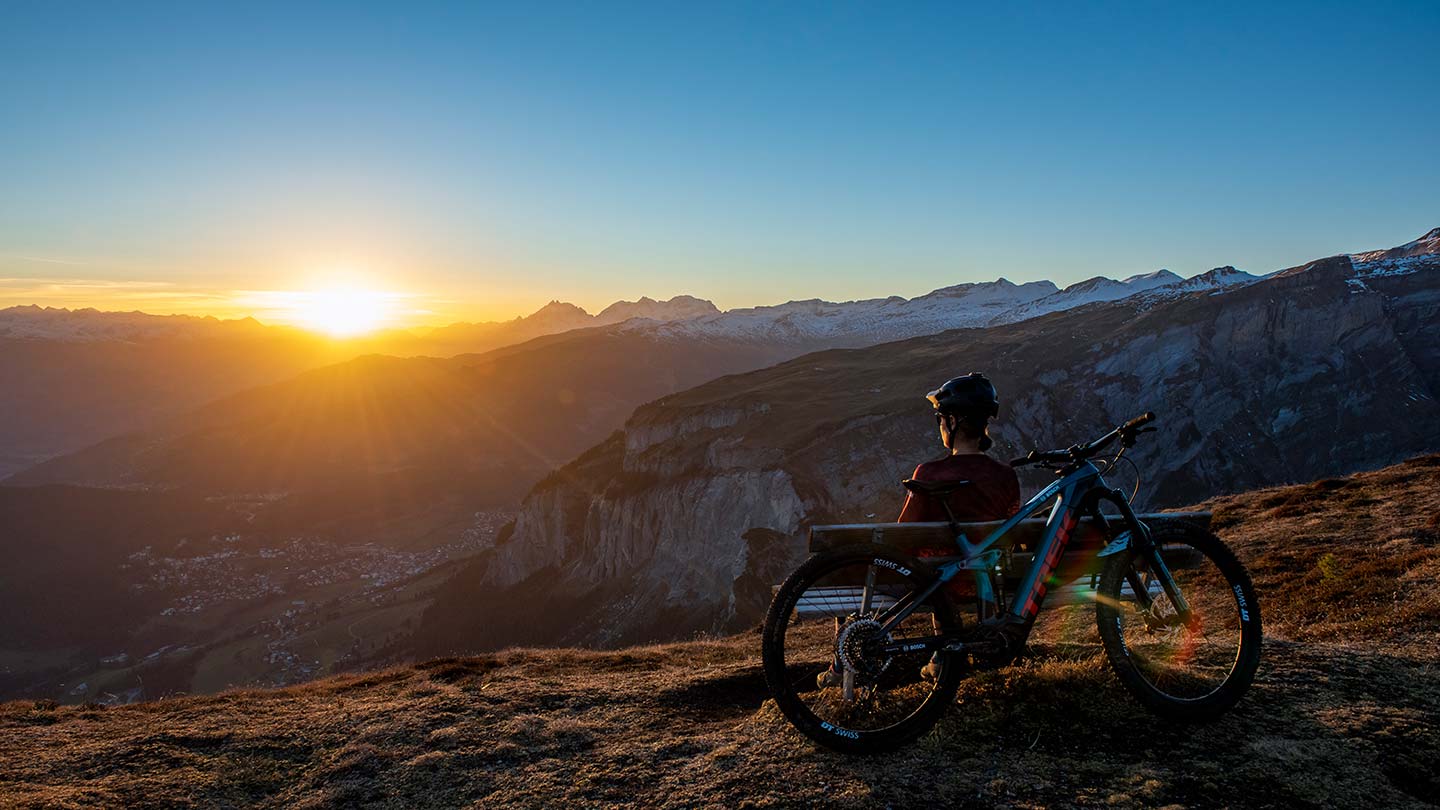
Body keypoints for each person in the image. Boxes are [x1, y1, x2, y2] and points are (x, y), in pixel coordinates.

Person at [897, 372, 1020, 523]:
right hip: (991, 547)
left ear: (952, 421)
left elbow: (905, 531)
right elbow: (1013, 526)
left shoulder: (928, 474)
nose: (941, 426)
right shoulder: (1006, 475)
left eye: (940, 420)